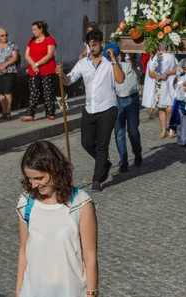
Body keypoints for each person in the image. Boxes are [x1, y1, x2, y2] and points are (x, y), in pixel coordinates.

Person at [14, 140, 98, 297]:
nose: (34, 185)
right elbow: (23, 252)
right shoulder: (26, 204)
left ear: (54, 170)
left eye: (39, 178)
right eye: (29, 179)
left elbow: (90, 257)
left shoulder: (80, 204)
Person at [56, 29, 125, 192]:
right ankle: (105, 164)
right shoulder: (83, 63)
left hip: (108, 108)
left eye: (94, 45)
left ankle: (97, 179)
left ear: (101, 43)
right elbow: (69, 80)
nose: (92, 48)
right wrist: (61, 75)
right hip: (89, 108)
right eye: (89, 45)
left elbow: (120, 79)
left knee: (102, 145)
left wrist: (114, 60)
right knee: (86, 142)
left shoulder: (109, 62)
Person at [22, 21, 57, 122]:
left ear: (41, 29)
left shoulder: (49, 40)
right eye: (32, 30)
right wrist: (33, 65)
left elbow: (50, 54)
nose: (33, 32)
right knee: (34, 92)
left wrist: (37, 64)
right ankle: (30, 114)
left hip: (46, 69)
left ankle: (50, 112)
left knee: (48, 91)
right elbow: (27, 55)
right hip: (34, 70)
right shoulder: (31, 41)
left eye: (35, 29)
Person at [114, 52, 143, 172]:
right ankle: (123, 160)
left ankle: (137, 153)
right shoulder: (113, 58)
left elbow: (139, 73)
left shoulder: (135, 57)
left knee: (133, 131)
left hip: (132, 98)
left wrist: (131, 58)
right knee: (119, 133)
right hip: (117, 99)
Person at [0, 28, 19, 121]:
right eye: (2, 35)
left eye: (6, 35)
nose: (5, 37)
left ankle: (8, 112)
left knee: (8, 92)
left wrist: (5, 65)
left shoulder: (12, 45)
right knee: (1, 92)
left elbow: (15, 57)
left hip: (9, 71)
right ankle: (4, 111)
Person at [147, 51, 177, 138]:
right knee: (161, 109)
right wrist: (156, 76)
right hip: (158, 86)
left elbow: (176, 69)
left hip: (169, 85)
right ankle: (164, 130)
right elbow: (150, 72)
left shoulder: (170, 56)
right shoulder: (153, 58)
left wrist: (167, 73)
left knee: (169, 109)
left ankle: (172, 129)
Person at [168, 58, 186, 147]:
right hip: (183, 101)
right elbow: (177, 87)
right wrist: (183, 86)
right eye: (185, 69)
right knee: (182, 122)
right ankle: (182, 139)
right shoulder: (180, 77)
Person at [141, 52, 156, 118]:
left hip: (150, 73)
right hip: (146, 73)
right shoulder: (147, 55)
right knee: (150, 91)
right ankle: (150, 109)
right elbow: (143, 62)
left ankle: (151, 110)